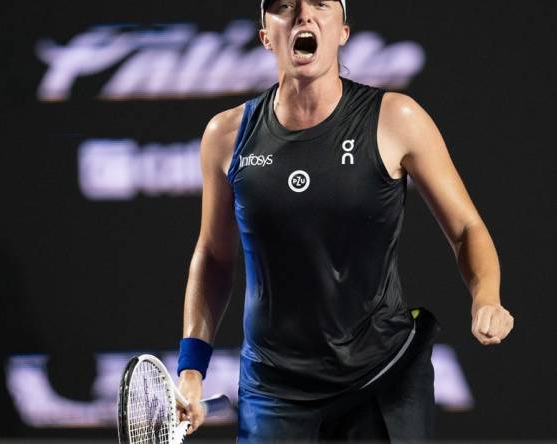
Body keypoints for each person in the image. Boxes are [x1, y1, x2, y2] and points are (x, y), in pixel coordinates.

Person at [176, 0, 515, 441]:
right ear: (266, 38)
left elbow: (467, 228)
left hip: (383, 375)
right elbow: (214, 257)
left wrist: (486, 297)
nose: (303, 14)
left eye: (320, 3)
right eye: (284, 6)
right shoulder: (225, 136)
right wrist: (191, 368)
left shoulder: (397, 119)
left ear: (343, 32)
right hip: (274, 389)